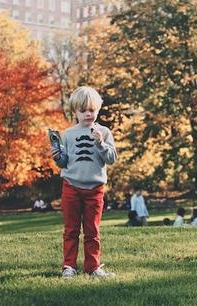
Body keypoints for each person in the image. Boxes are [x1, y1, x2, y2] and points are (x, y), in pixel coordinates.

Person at [51, 86, 117, 279]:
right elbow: (65, 161)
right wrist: (57, 157)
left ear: (98, 110)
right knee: (71, 229)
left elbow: (112, 158)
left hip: (95, 189)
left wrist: (100, 143)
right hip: (71, 187)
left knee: (92, 230)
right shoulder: (68, 134)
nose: (88, 114)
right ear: (75, 112)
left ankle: (93, 267)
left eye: (92, 110)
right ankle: (69, 266)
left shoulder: (104, 131)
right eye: (83, 110)